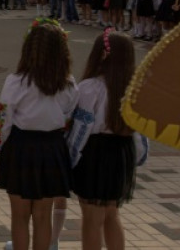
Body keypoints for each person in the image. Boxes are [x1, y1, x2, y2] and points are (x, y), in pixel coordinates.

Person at [0, 18, 79, 250]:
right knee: (42, 216)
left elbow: (3, 122)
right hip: (53, 149)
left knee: (19, 216)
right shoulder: (68, 83)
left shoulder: (16, 81)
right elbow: (68, 118)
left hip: (21, 148)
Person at [67, 29, 149, 250]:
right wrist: (137, 158)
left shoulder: (90, 87)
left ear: (102, 54)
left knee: (91, 219)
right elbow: (141, 133)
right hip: (122, 153)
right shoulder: (135, 89)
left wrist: (70, 157)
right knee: (112, 214)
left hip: (95, 154)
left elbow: (80, 131)